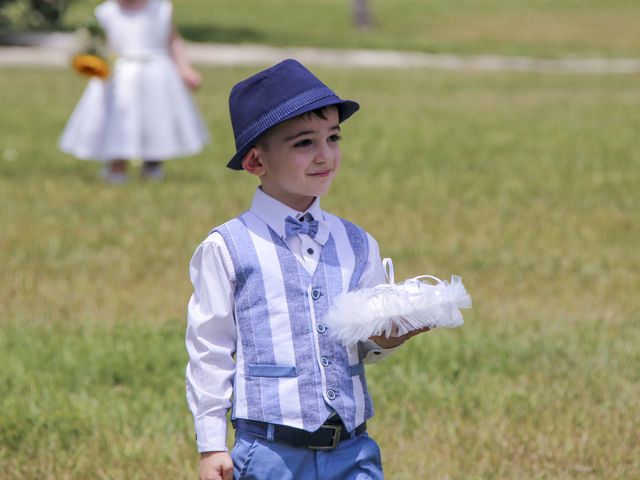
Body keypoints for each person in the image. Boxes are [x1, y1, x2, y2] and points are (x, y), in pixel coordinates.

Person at [185, 59, 428, 480]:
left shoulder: (358, 244)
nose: (325, 155)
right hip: (268, 453)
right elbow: (209, 350)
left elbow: (361, 346)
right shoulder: (228, 248)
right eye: (303, 143)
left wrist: (387, 339)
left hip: (352, 451)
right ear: (255, 162)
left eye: (333, 137)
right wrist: (211, 445)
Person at [59, 0, 209, 183]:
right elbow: (99, 44)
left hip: (157, 72)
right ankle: (116, 165)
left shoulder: (161, 8)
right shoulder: (106, 12)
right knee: (119, 122)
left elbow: (173, 41)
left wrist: (185, 69)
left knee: (157, 121)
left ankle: (153, 166)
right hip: (119, 75)